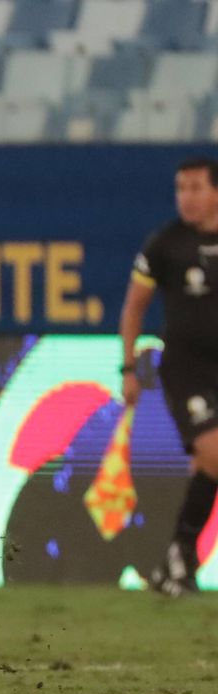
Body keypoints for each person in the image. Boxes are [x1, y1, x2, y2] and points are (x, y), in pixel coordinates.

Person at [120, 156, 218, 597]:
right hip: (186, 369)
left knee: (206, 467)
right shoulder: (166, 244)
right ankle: (180, 557)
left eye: (196, 188)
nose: (187, 197)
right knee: (215, 455)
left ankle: (176, 561)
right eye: (181, 188)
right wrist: (129, 367)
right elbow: (134, 307)